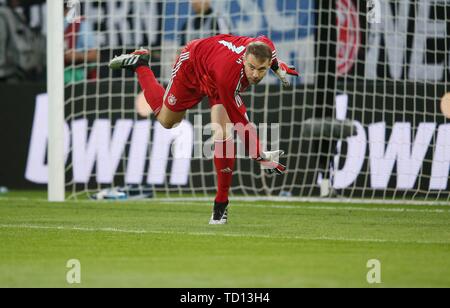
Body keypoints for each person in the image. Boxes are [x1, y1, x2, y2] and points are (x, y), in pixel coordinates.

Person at [109, 34, 299, 224]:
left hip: (217, 71)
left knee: (223, 132)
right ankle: (141, 64)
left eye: (262, 69)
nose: (256, 74)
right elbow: (242, 124)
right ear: (243, 59)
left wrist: (276, 66)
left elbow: (266, 46)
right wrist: (260, 156)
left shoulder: (267, 49)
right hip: (194, 63)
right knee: (167, 121)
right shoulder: (228, 78)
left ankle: (221, 204)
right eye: (251, 68)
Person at [64, 1, 98, 84]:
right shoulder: (49, 23)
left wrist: (77, 56)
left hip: (76, 80)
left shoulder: (81, 25)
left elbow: (95, 55)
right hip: (50, 78)